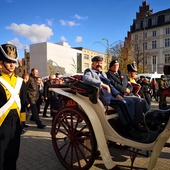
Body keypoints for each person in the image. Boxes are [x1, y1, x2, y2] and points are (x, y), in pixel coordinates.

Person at [83, 56, 143, 139]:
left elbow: (110, 85)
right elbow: (86, 78)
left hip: (111, 96)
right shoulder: (89, 71)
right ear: (92, 63)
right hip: (102, 97)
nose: (99, 64)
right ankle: (127, 128)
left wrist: (117, 94)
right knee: (122, 103)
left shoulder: (103, 74)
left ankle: (134, 124)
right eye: (97, 62)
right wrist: (101, 84)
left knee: (131, 101)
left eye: (100, 63)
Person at [0, 42, 27, 170]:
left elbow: (22, 103)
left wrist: (22, 121)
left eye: (14, 62)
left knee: (13, 154)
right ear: (1, 63)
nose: (12, 65)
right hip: (2, 123)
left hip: (15, 121)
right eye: (8, 62)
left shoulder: (20, 82)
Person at [106, 59, 150, 126]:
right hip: (120, 95)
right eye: (114, 65)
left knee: (143, 101)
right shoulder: (108, 75)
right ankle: (136, 122)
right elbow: (114, 85)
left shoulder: (123, 74)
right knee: (137, 100)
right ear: (110, 66)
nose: (116, 67)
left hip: (128, 93)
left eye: (117, 65)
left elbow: (129, 84)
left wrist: (129, 89)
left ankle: (149, 118)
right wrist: (124, 90)